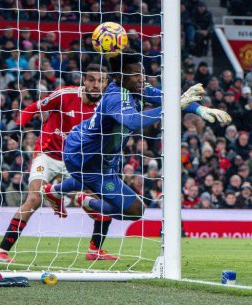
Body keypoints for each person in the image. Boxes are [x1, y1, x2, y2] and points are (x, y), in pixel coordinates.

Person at [44, 54, 230, 224]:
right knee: (135, 210)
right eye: (135, 74)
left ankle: (56, 192)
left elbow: (170, 99)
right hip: (83, 156)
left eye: (142, 73)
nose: (141, 78)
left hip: (97, 151)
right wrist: (176, 105)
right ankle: (86, 201)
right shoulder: (116, 97)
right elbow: (133, 121)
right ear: (119, 77)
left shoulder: (140, 87)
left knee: (90, 180)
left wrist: (201, 110)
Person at [0, 65, 106, 263]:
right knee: (34, 199)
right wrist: (18, 126)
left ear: (106, 83)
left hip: (74, 160)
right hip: (47, 154)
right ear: (84, 80)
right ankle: (2, 250)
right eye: (91, 79)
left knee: (102, 199)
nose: (96, 85)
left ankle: (95, 249)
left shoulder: (104, 107)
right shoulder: (64, 95)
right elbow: (32, 108)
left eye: (100, 81)